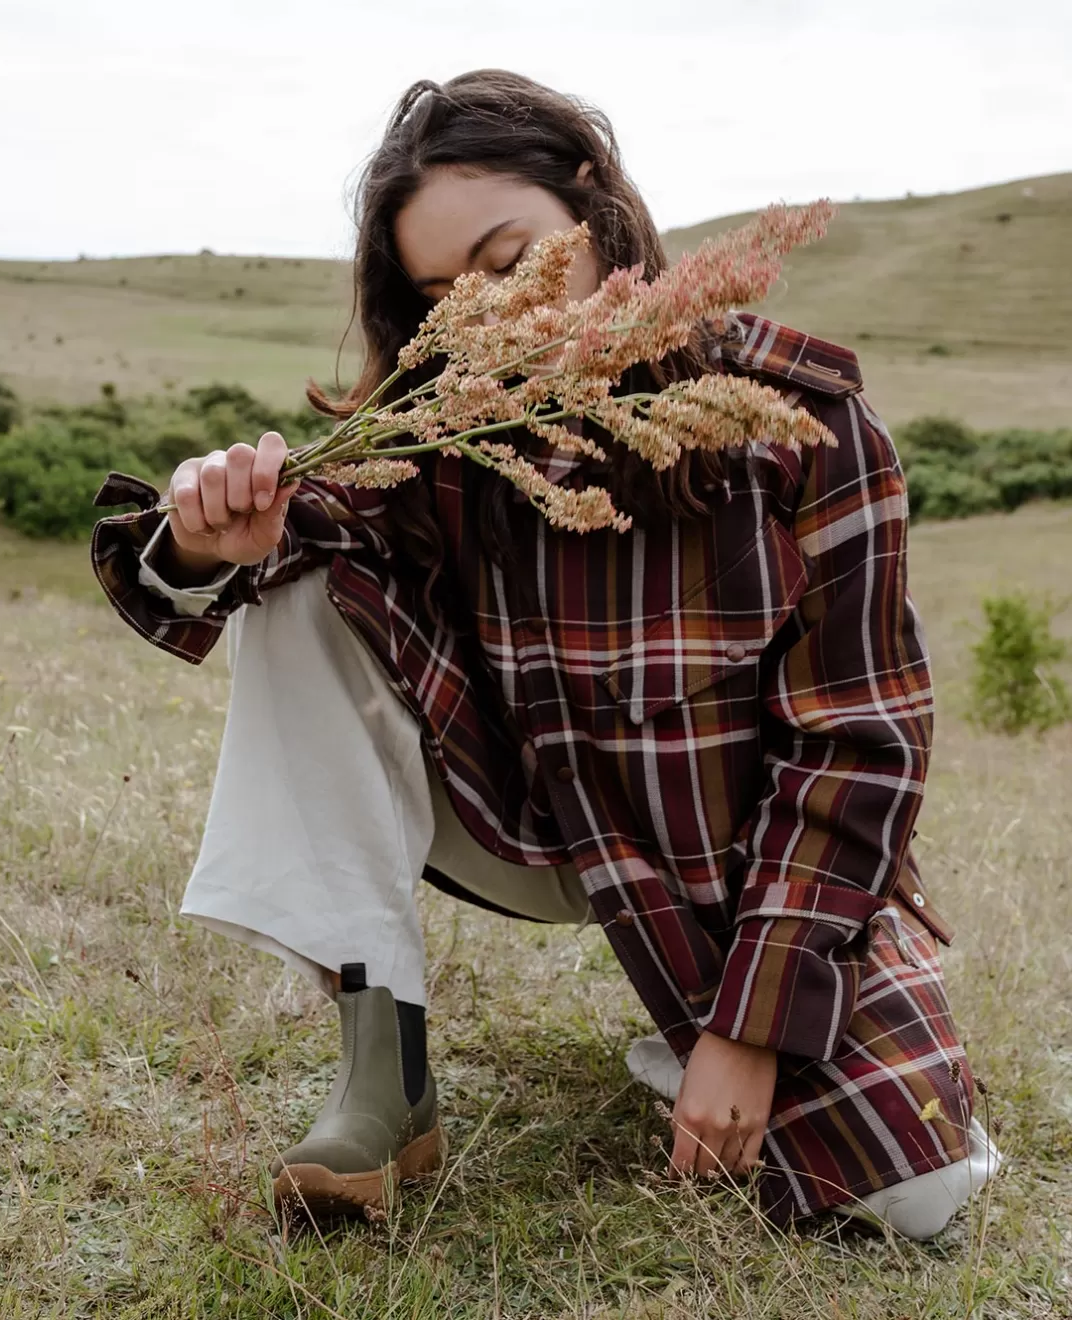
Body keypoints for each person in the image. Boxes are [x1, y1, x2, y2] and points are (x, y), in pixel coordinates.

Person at [92, 70, 998, 1236]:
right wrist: (205, 532)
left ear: (594, 209)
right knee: (299, 572)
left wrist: (751, 1029)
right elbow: (227, 563)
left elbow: (860, 743)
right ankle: (385, 1060)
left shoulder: (802, 420)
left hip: (732, 865)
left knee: (909, 1199)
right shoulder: (446, 426)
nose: (496, 316)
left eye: (510, 258)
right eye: (444, 295)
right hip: (527, 820)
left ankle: (738, 1021)